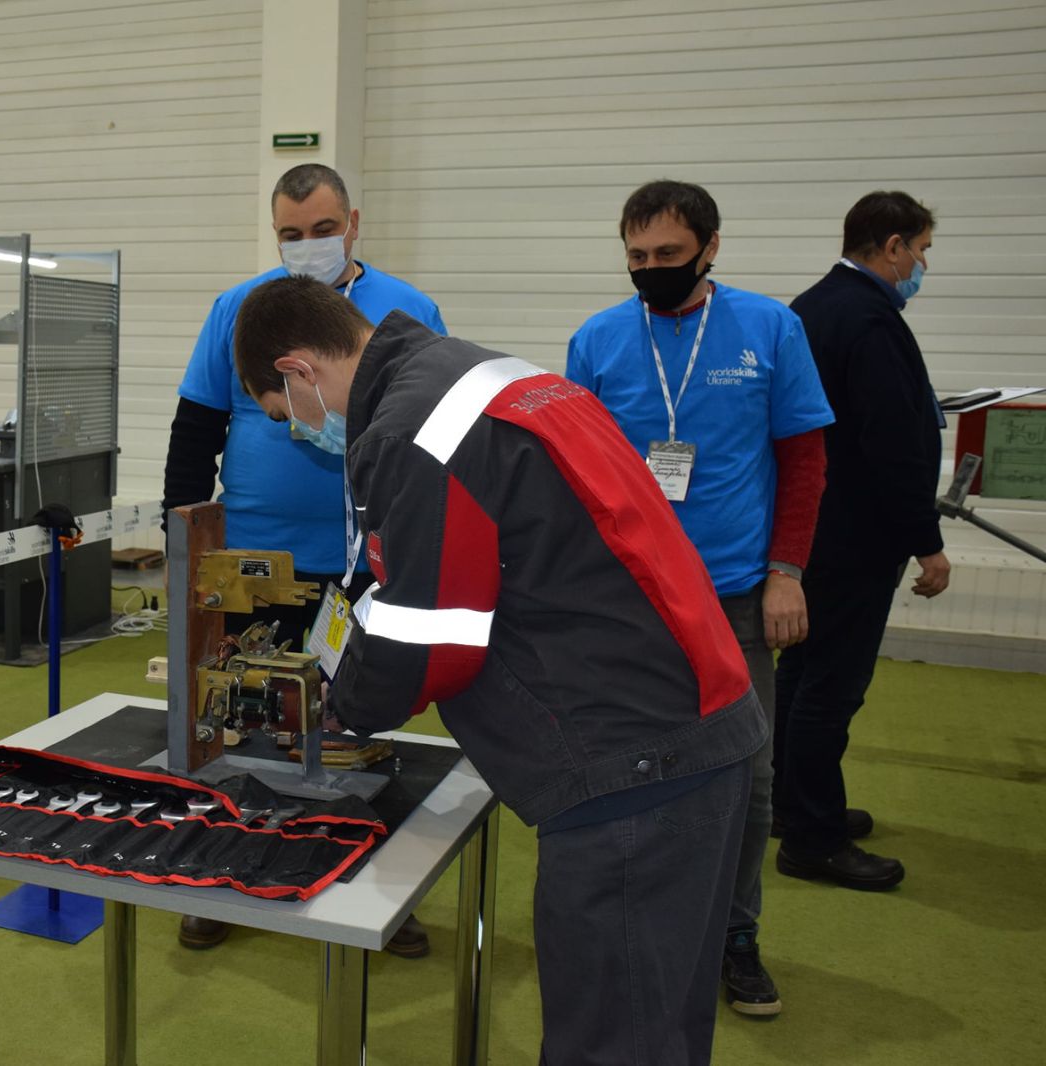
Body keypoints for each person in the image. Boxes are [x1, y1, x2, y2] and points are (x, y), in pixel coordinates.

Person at [233, 275, 765, 1066]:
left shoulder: (409, 432)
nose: (299, 433)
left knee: (612, 1042)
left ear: (298, 370)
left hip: (630, 756)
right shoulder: (475, 373)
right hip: (694, 714)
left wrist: (344, 704)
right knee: (661, 1027)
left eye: (286, 416)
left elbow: (428, 638)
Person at [565, 179, 835, 1017]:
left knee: (747, 778)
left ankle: (735, 934)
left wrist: (787, 571)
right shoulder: (597, 340)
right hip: (631, 602)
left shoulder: (770, 328)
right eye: (637, 256)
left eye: (670, 254)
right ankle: (642, 923)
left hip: (736, 597)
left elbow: (804, 462)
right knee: (631, 770)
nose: (652, 268)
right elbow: (576, 474)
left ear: (710, 247)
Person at [161, 163, 444, 955]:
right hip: (253, 559)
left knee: (357, 728)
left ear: (353, 223)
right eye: (290, 234)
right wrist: (185, 550)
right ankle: (225, 874)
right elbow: (195, 428)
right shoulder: (240, 309)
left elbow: (430, 430)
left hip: (364, 562)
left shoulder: (407, 308)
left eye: (322, 229)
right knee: (243, 720)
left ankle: (375, 889)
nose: (307, 245)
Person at [773, 191, 950, 891]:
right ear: (893, 246)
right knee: (831, 688)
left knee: (801, 675)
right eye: (922, 250)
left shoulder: (812, 307)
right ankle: (813, 839)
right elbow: (892, 441)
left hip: (813, 529)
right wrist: (926, 539)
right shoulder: (870, 320)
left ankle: (793, 804)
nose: (923, 264)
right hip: (857, 536)